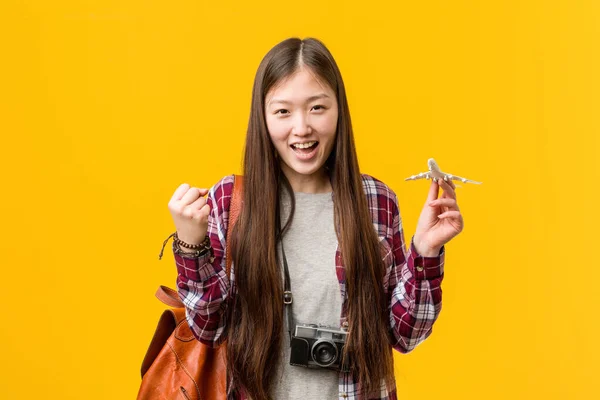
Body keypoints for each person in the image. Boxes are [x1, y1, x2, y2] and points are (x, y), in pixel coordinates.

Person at [165, 37, 463, 400]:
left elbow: (404, 333)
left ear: (339, 110)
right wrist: (190, 245)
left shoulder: (376, 201)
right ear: (262, 117)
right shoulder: (230, 201)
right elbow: (209, 330)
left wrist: (426, 251)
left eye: (317, 107)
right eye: (283, 112)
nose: (302, 128)